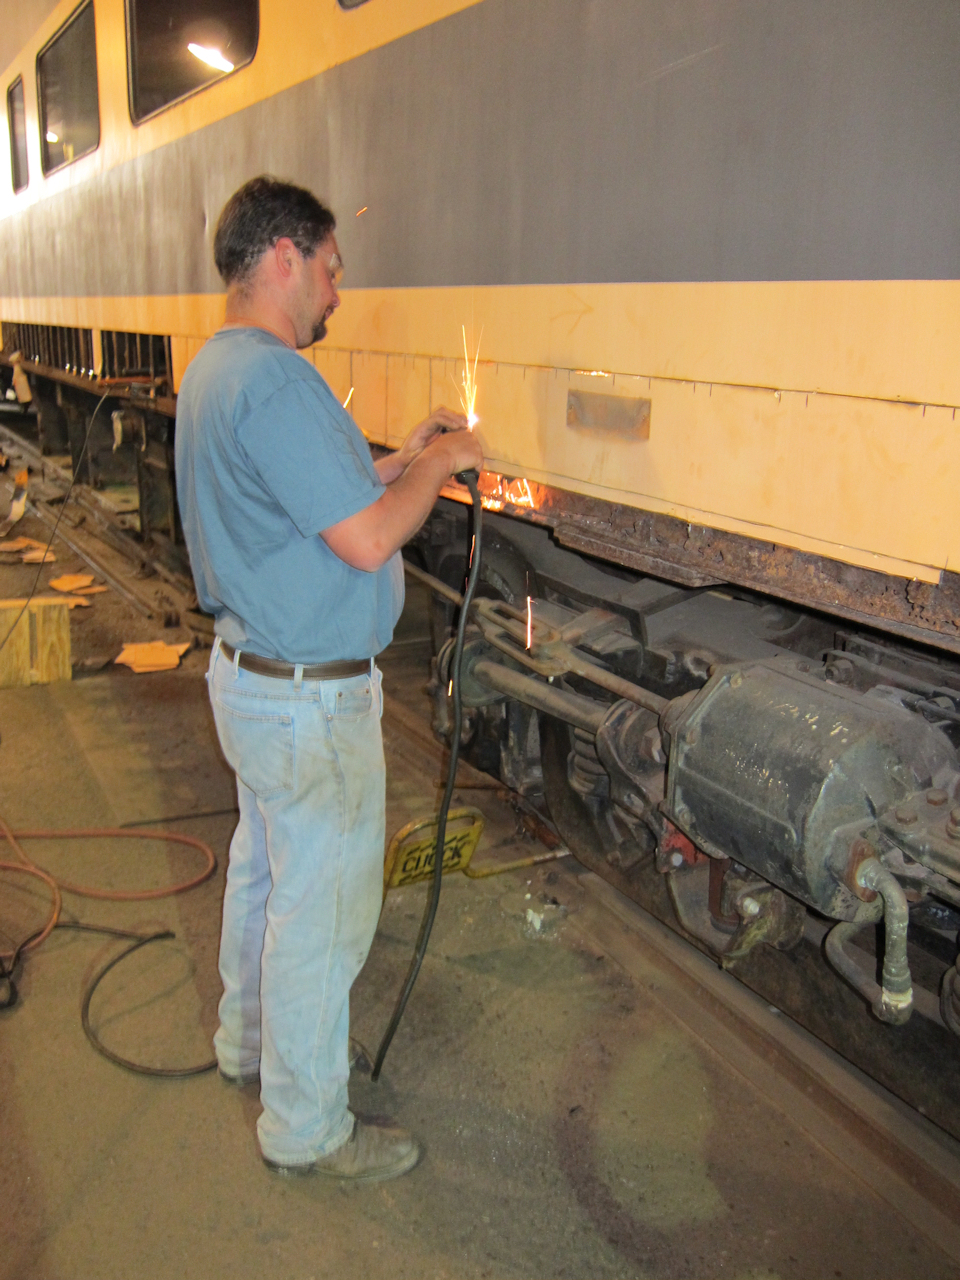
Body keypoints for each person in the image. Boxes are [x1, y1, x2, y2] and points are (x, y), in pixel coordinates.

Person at [174, 175, 483, 1182]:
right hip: (308, 701)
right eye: (331, 269)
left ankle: (250, 1046)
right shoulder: (275, 380)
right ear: (285, 258)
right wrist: (446, 465)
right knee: (322, 917)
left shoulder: (218, 369)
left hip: (252, 678)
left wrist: (403, 456)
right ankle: (305, 1128)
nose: (337, 292)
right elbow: (366, 538)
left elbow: (314, 495)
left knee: (265, 876)